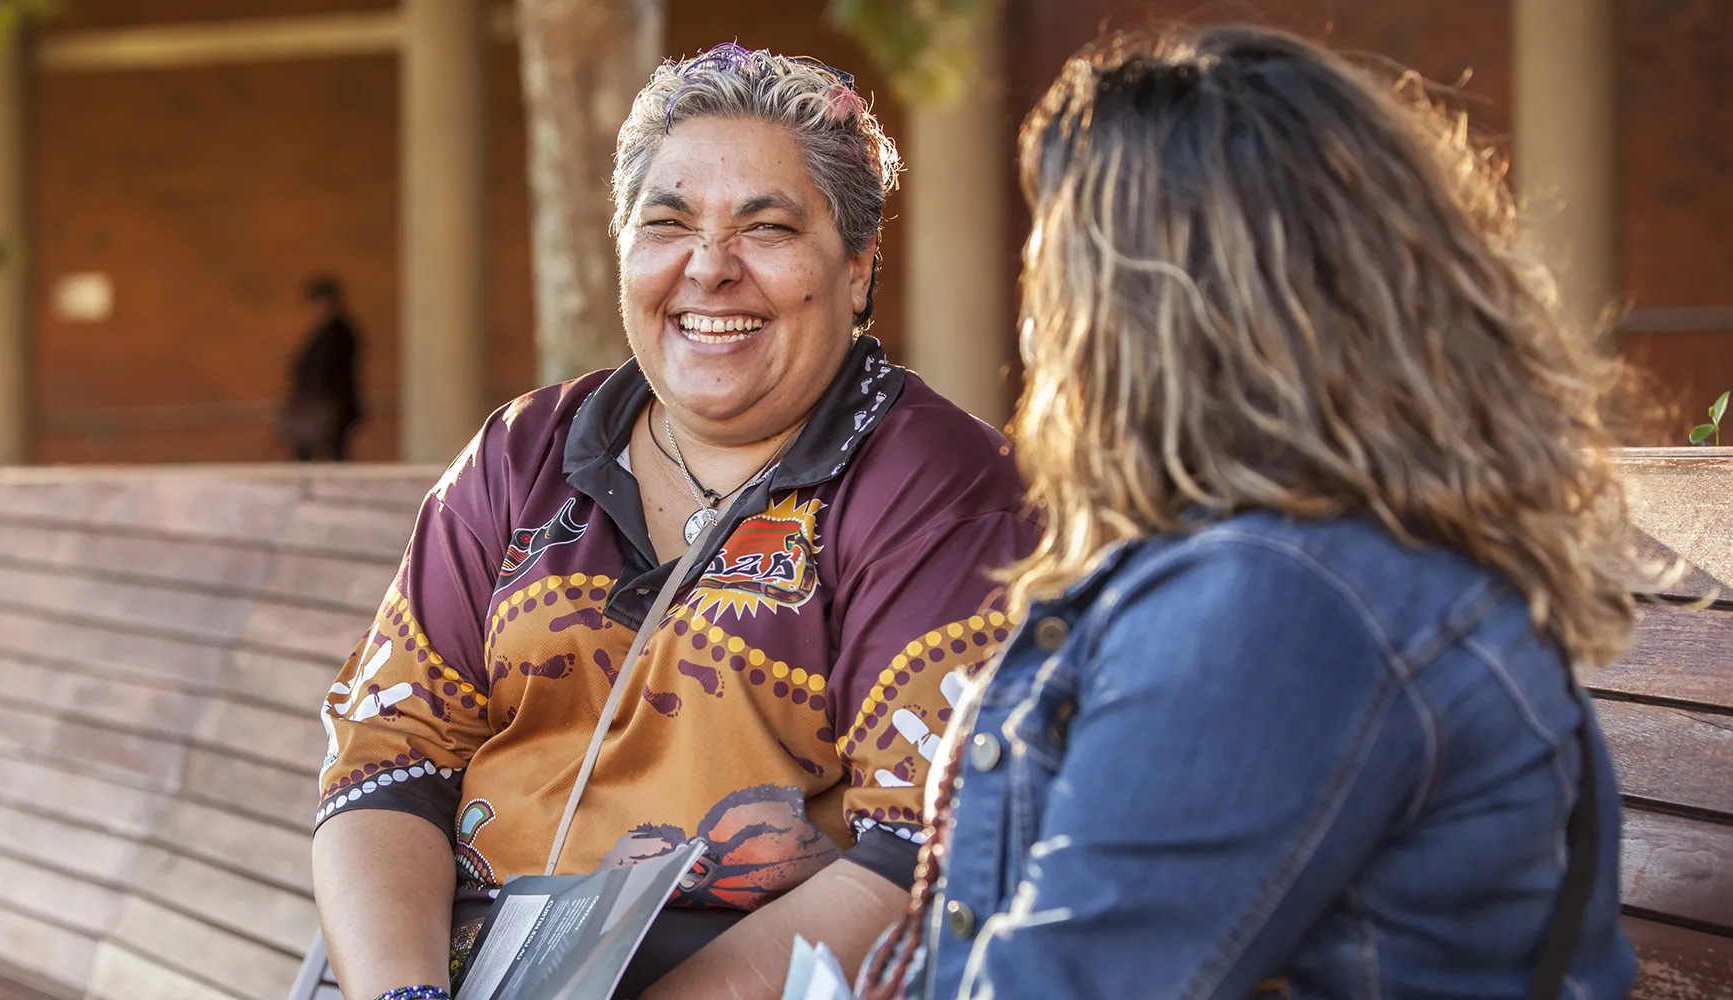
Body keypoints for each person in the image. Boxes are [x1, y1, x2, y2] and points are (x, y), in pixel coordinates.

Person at [860, 24, 1639, 1000]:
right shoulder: (1301, 565)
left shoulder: (1276, 603)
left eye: (1050, 261)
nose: (1032, 319)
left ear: (1142, 311)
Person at [312, 44, 1033, 1000]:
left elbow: (926, 851)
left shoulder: (935, 486)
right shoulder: (523, 455)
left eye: (766, 228)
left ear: (857, 268)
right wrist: (402, 994)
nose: (709, 268)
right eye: (668, 223)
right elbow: (386, 758)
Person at [280, 274, 363, 461]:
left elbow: (326, 370)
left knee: (333, 456)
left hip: (330, 407)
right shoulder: (325, 332)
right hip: (322, 406)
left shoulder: (339, 331)